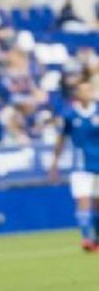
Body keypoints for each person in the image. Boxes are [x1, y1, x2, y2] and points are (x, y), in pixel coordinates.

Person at [48, 78, 99, 251]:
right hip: (81, 166)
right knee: (83, 201)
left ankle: (97, 240)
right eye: (83, 90)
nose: (87, 93)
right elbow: (61, 139)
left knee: (98, 205)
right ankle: (86, 239)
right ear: (77, 94)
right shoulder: (69, 114)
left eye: (89, 89)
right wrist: (54, 163)